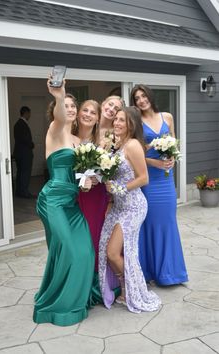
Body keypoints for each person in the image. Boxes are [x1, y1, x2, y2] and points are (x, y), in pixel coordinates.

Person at [33, 79, 95, 326]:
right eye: (66, 106)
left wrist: (87, 181)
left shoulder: (80, 143)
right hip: (53, 201)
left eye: (72, 105)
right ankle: (56, 304)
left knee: (85, 251)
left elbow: (82, 175)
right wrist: (59, 96)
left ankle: (76, 296)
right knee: (67, 249)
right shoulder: (55, 130)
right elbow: (59, 116)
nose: (70, 109)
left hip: (72, 202)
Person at [99, 106, 161, 313]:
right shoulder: (118, 145)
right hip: (118, 205)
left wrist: (119, 188)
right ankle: (125, 290)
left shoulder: (133, 145)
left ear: (131, 124)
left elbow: (144, 178)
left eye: (122, 121)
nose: (116, 123)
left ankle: (133, 290)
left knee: (113, 252)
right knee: (108, 252)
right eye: (116, 119)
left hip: (133, 206)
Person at [130, 84, 188, 286]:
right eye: (137, 98)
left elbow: (174, 141)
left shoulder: (167, 116)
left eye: (143, 96)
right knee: (150, 224)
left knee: (168, 221)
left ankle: (171, 272)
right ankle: (150, 271)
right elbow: (134, 152)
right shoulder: (136, 122)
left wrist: (172, 155)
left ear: (150, 96)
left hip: (166, 178)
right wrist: (154, 160)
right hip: (149, 179)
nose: (141, 100)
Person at [75, 96, 124, 305]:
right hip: (77, 193)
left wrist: (100, 179)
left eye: (117, 108)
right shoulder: (75, 131)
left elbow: (112, 169)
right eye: (110, 104)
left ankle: (101, 284)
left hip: (98, 194)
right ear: (102, 104)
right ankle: (79, 282)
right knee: (81, 238)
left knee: (98, 236)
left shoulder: (112, 136)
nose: (112, 109)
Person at [13, 106, 35, 198]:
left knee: (20, 173)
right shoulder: (22, 124)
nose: (29, 115)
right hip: (24, 154)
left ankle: (19, 191)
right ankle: (24, 192)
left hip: (18, 153)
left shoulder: (17, 124)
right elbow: (25, 139)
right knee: (25, 173)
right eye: (29, 113)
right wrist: (32, 145)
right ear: (25, 113)